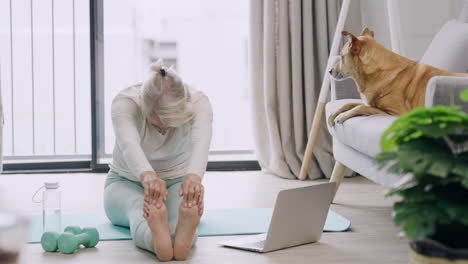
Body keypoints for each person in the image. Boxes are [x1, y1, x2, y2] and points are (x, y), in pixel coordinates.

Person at [103, 60, 213, 261]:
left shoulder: (199, 102)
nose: (164, 129)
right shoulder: (125, 103)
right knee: (139, 207)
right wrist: (148, 177)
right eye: (159, 121)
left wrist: (193, 180)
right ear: (146, 106)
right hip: (123, 183)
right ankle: (158, 243)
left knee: (182, 213)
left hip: (177, 183)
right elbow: (129, 144)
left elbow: (201, 143)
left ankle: (181, 242)